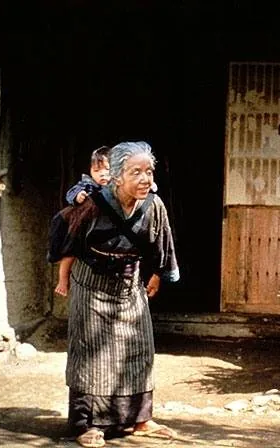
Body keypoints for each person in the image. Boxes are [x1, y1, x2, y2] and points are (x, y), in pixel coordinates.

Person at [47, 141, 180, 448]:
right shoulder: (91, 204)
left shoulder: (153, 205)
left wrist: (157, 274)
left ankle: (140, 419)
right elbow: (67, 239)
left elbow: (162, 243)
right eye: (136, 172)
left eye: (149, 172)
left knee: (139, 351)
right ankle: (86, 424)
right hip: (92, 288)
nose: (145, 179)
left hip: (130, 287)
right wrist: (63, 277)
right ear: (117, 177)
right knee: (91, 357)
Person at [54, 146, 111, 296]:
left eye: (107, 169)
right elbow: (70, 194)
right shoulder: (87, 184)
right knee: (70, 249)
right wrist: (78, 196)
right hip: (83, 225)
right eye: (97, 170)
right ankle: (63, 279)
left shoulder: (120, 184)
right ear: (91, 171)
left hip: (105, 229)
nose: (102, 174)